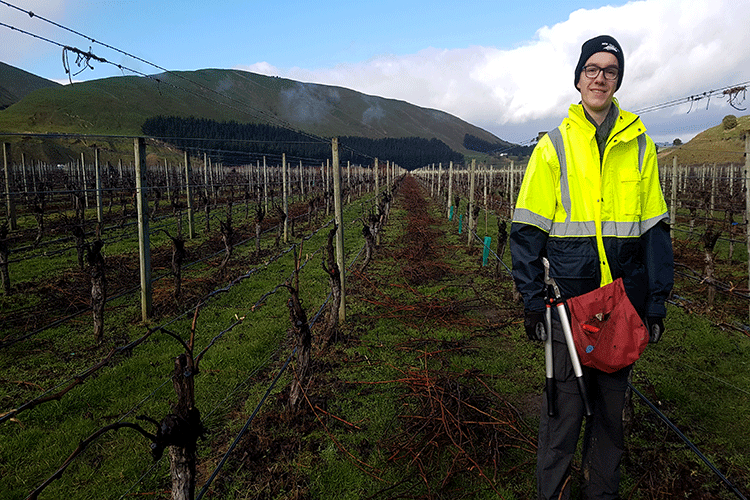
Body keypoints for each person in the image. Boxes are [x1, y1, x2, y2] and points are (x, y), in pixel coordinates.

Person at [509, 35, 674, 499]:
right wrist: (531, 301)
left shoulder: (641, 146)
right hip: (568, 304)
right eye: (592, 69)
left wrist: (656, 301)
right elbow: (526, 230)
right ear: (579, 77)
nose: (600, 77)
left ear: (618, 80)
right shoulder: (554, 147)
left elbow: (655, 231)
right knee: (562, 416)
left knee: (609, 419)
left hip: (623, 305)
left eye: (610, 70)